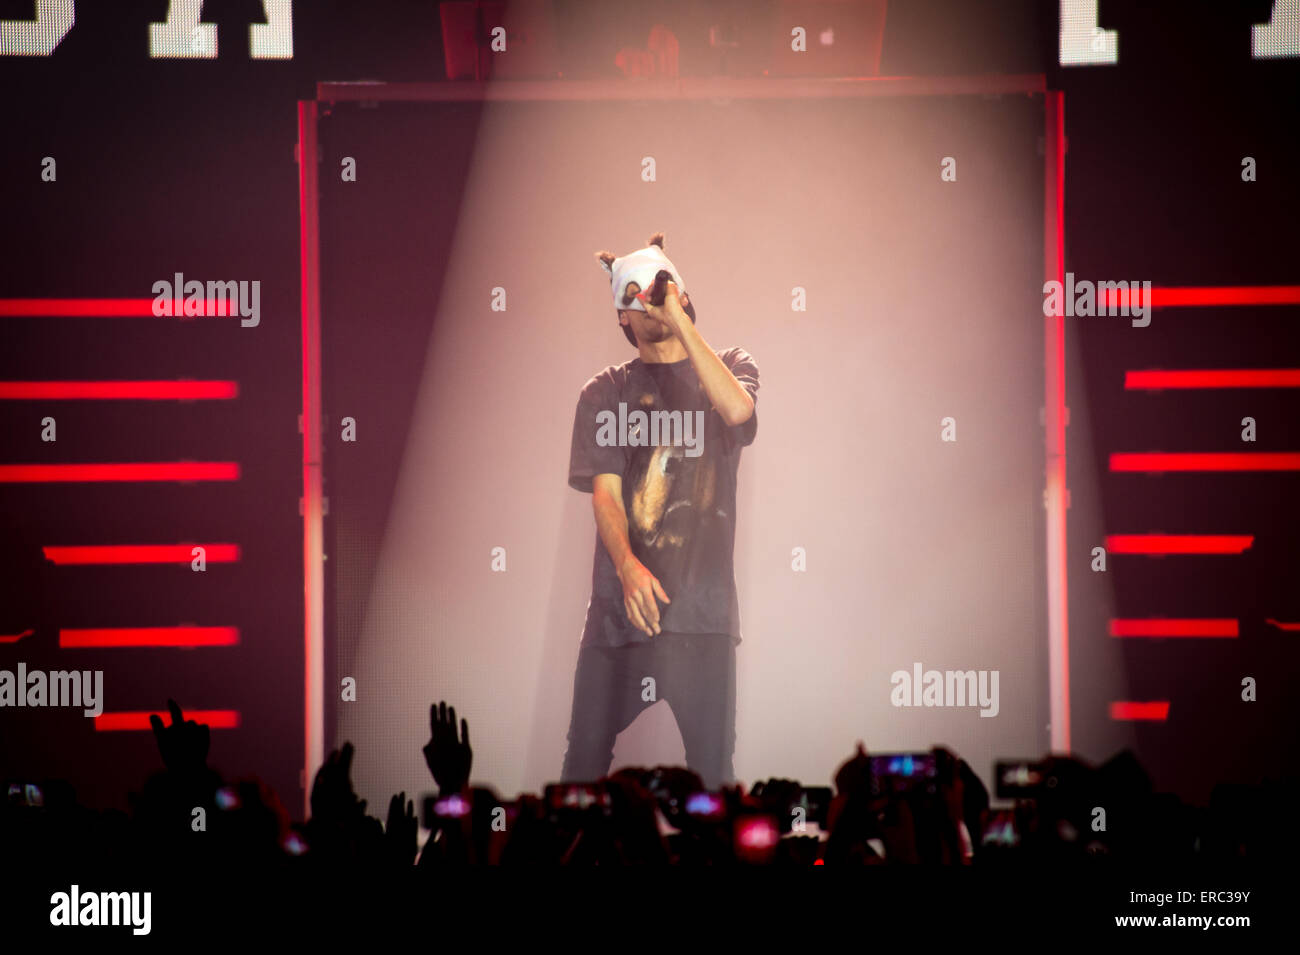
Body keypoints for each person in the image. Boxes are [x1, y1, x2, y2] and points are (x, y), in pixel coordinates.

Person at [561, 232, 759, 789]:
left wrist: (676, 313)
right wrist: (626, 568)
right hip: (618, 622)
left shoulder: (732, 367)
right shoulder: (603, 394)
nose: (648, 301)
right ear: (622, 318)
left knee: (714, 782)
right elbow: (606, 495)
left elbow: (739, 413)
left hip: (703, 620)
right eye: (636, 297)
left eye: (658, 289)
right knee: (581, 776)